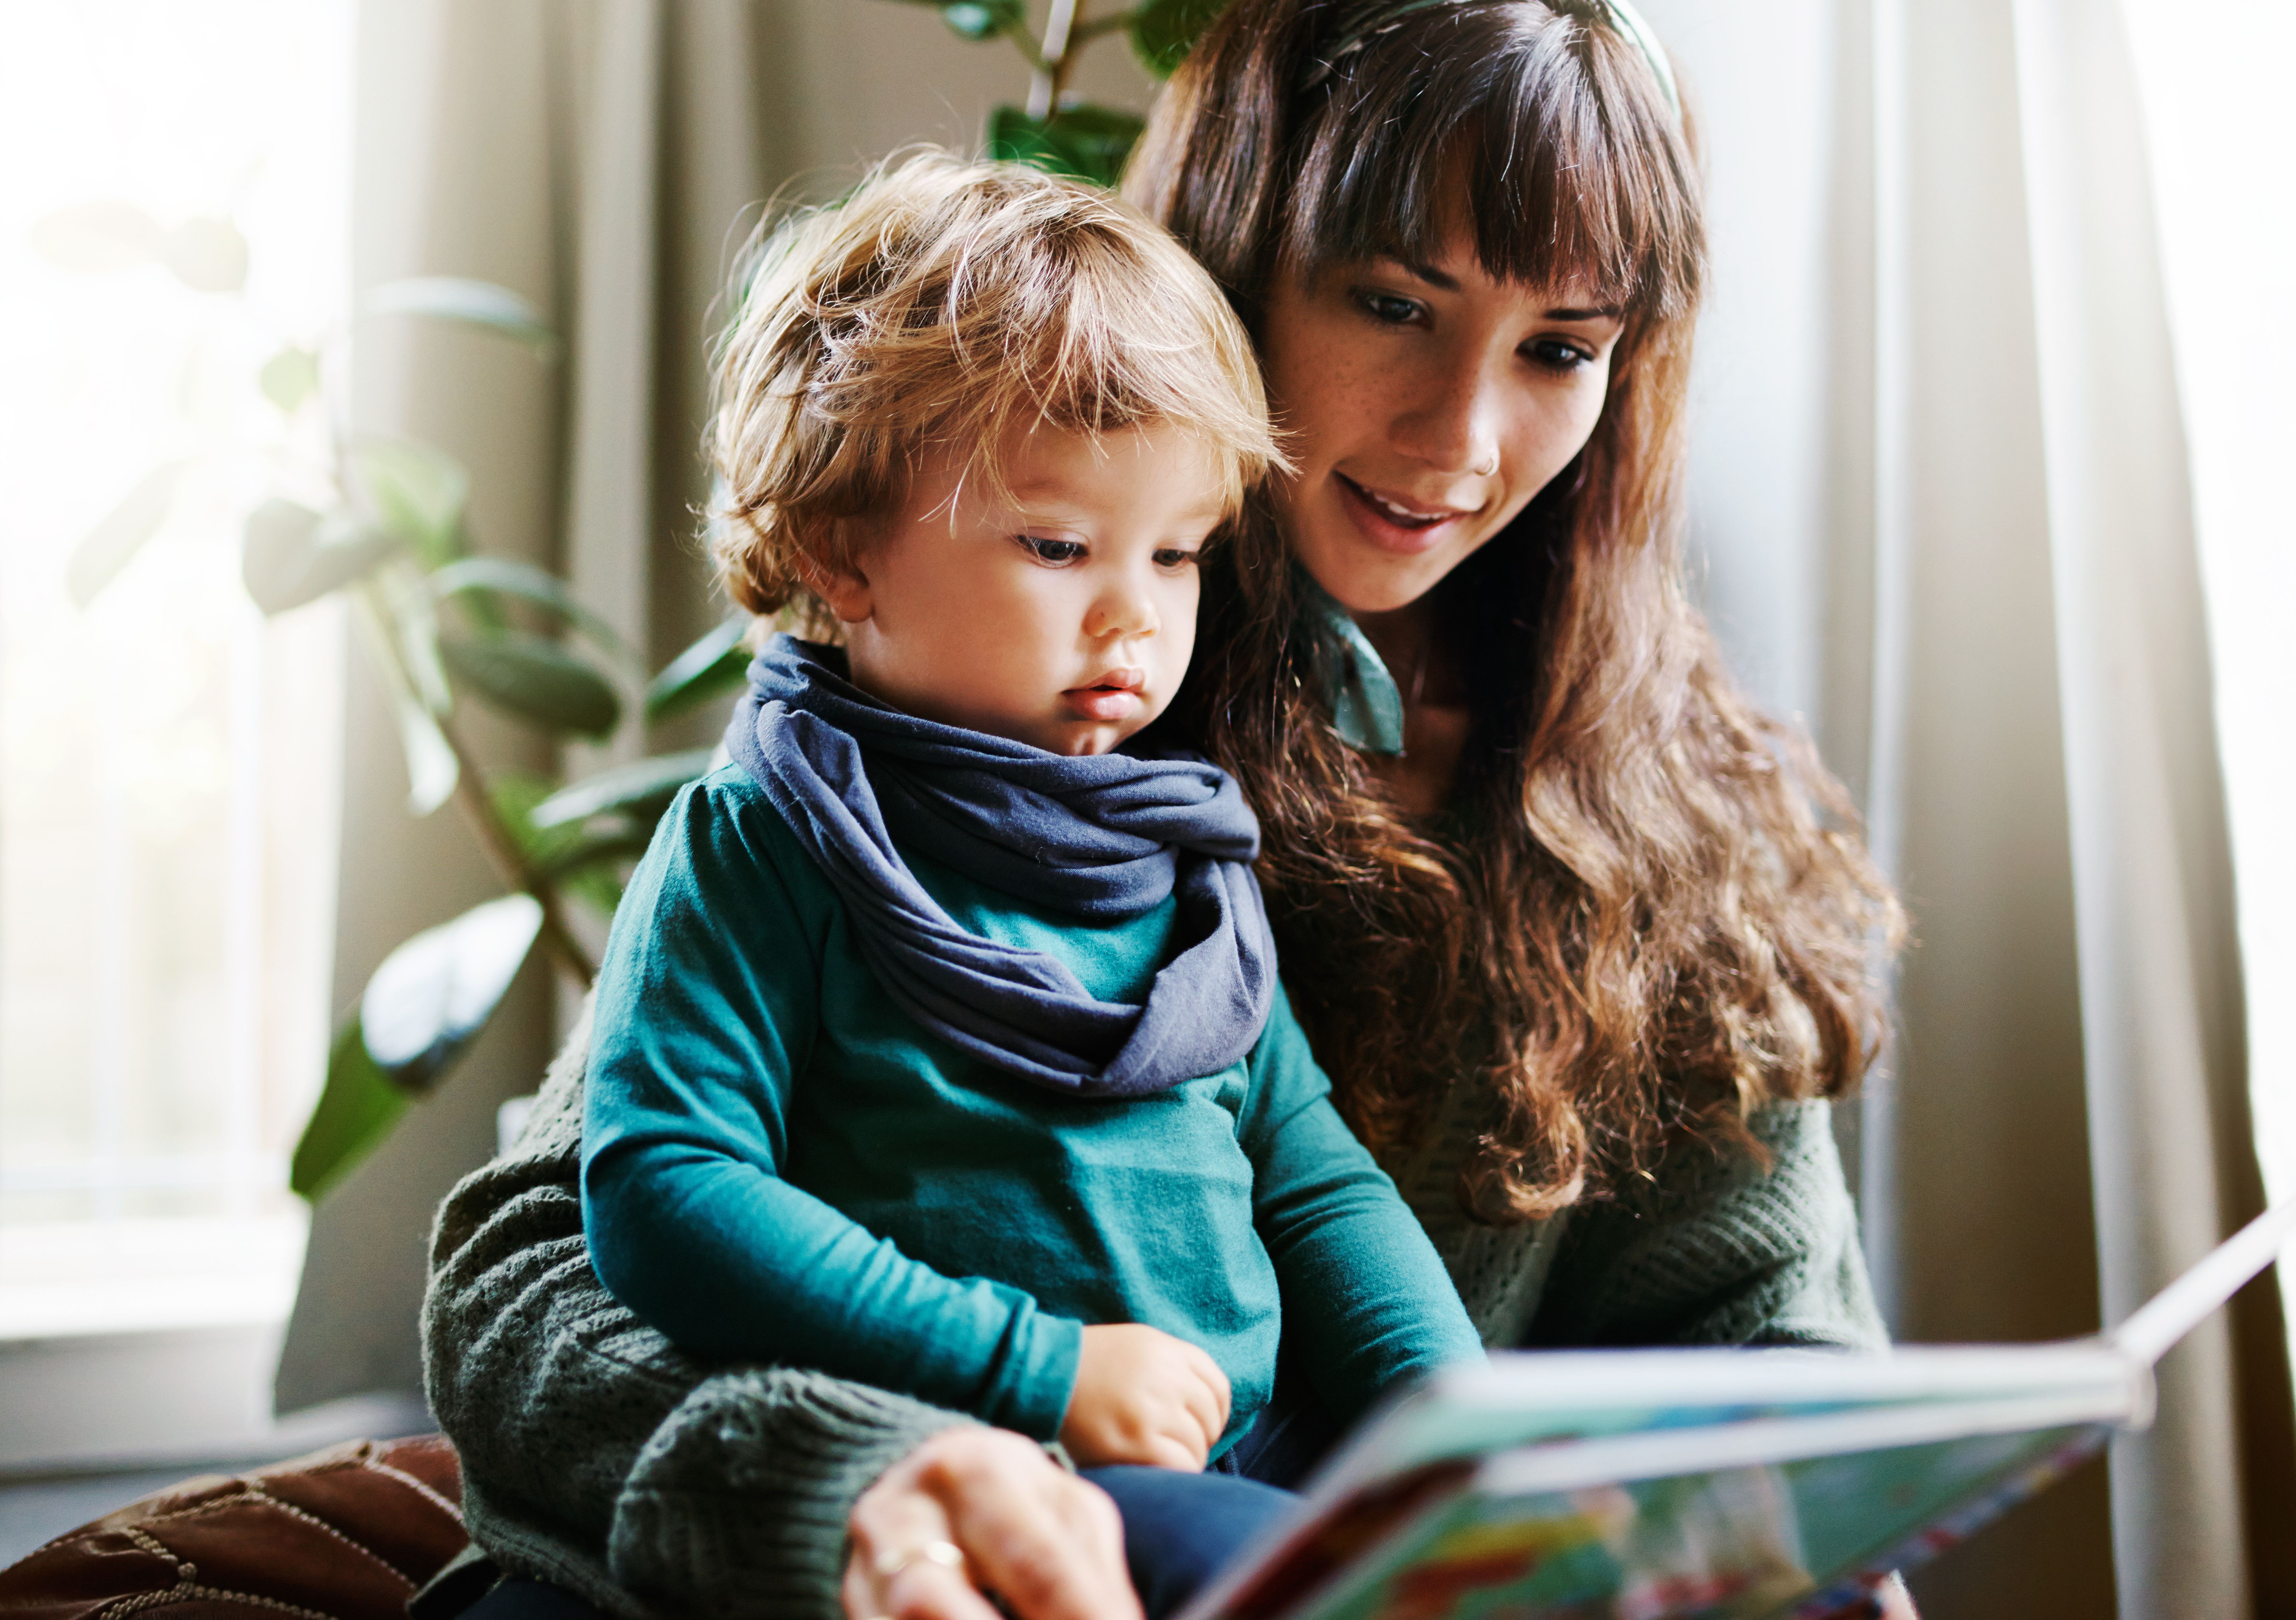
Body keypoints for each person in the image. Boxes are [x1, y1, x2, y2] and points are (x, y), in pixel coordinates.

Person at [423, 3, 1909, 1618]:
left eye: (1559, 349)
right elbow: (535, 1270)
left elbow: (1765, 1353)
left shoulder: (1665, 809)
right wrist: (859, 1476)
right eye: (1393, 304)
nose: (1461, 441)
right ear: (1231, 253)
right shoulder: (947, 700)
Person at [577, 152, 1483, 1616]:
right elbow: (663, 1189)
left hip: (1236, 1465)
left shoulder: (1186, 864)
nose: (1135, 611)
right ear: (839, 548)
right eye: (1057, 545)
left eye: (1178, 552)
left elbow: (1314, 1191)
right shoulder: (766, 841)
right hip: (980, 1489)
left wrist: (1454, 1428)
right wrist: (1036, 1369)